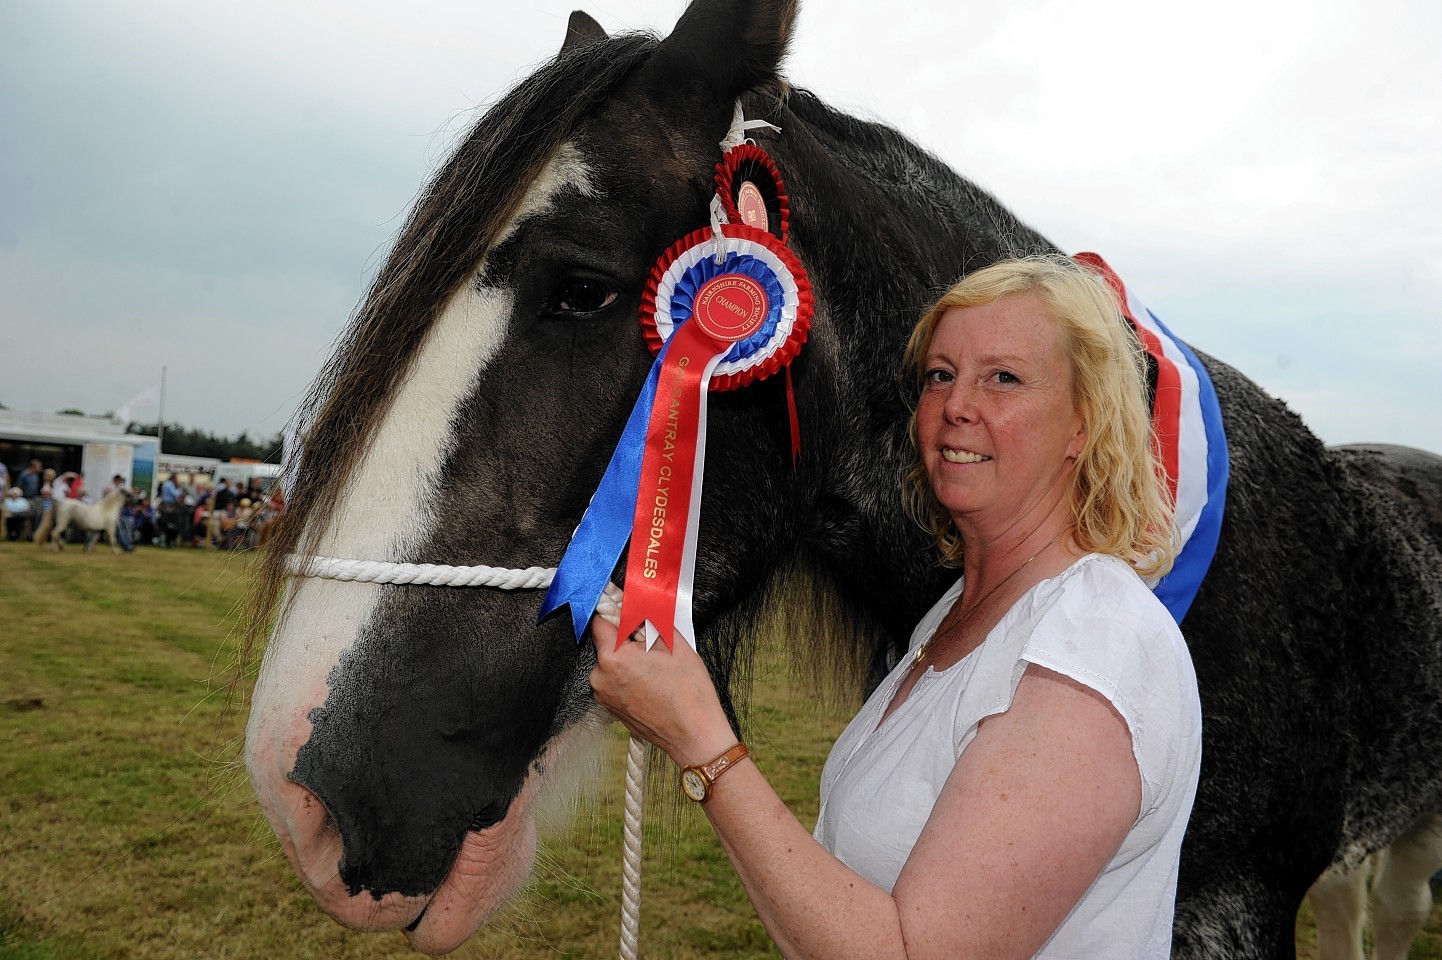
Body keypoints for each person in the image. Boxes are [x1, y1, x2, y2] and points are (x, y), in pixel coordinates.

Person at [589, 255, 1202, 959]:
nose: (957, 404)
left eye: (1003, 377)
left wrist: (702, 740)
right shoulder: (958, 617)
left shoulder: (1095, 645)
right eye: (941, 374)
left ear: (1082, 425)